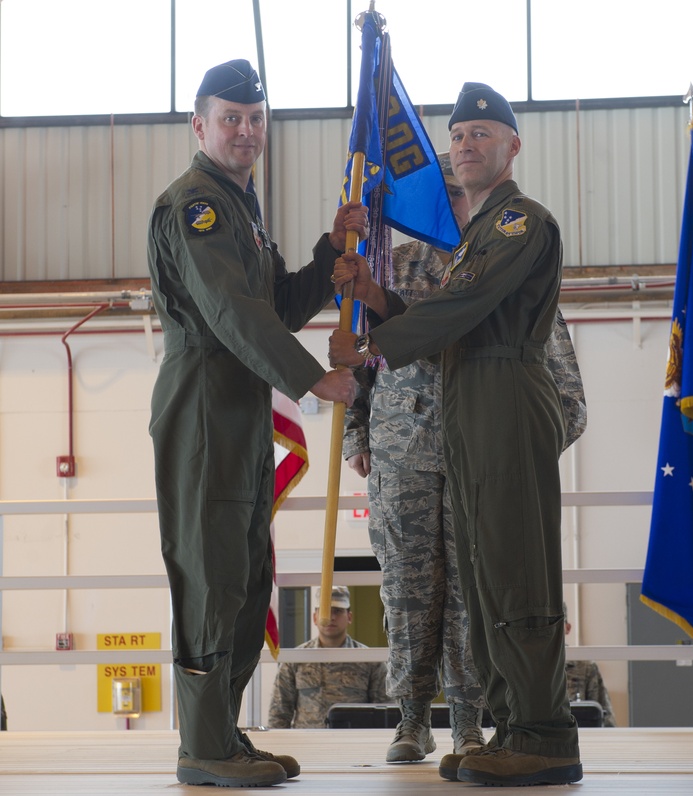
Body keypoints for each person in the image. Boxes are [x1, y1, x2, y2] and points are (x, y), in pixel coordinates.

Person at [329, 82, 583, 787]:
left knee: (514, 577)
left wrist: (375, 346)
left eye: (481, 134)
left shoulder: (515, 223)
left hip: (504, 406)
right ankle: (509, 729)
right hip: (472, 415)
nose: (466, 146)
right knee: (485, 580)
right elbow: (445, 311)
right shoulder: (476, 235)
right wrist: (379, 312)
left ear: (512, 146)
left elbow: (463, 308)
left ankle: (543, 734)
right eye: (459, 135)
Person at [146, 59, 367, 788]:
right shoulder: (197, 206)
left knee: (245, 573)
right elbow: (231, 312)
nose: (245, 130)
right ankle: (202, 747)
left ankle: (223, 737)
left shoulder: (241, 208)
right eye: (230, 118)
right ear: (199, 125)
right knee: (212, 574)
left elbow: (272, 304)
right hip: (206, 400)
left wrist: (326, 257)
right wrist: (310, 377)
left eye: (255, 118)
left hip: (241, 406)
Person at [267, 586, 389, 728]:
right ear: (314, 617)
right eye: (325, 611)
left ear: (349, 617)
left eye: (337, 611)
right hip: (307, 745)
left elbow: (385, 713)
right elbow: (278, 713)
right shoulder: (297, 659)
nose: (331, 617)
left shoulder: (369, 660)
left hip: (354, 745)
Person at [562, 605, 616, 727]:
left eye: (557, 624)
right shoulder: (529, 667)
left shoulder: (585, 667)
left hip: (582, 741)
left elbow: (606, 719)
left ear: (568, 628)